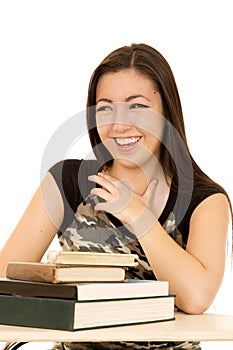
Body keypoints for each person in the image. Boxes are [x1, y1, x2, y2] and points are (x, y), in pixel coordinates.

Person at [0, 43, 232, 350]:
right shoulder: (66, 183)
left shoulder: (205, 200)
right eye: (106, 107)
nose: (119, 125)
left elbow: (196, 297)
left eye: (137, 106)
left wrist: (139, 216)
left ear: (167, 112)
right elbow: (5, 282)